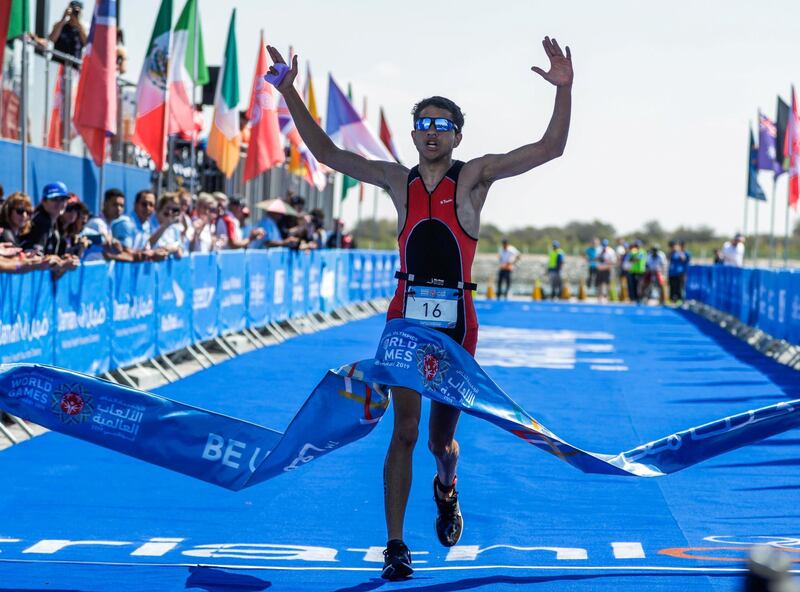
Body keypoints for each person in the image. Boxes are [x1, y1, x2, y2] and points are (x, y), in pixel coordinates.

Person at [269, 35, 572, 580]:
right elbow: (328, 154)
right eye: (423, 125)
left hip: (457, 323)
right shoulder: (395, 178)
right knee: (403, 431)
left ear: (457, 135)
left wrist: (564, 90)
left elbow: (550, 148)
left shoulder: (475, 176)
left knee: (439, 441)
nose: (432, 133)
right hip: (405, 319)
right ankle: (394, 545)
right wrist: (291, 93)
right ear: (413, 134)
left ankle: (447, 482)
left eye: (442, 126)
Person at [147, 193, 184, 258]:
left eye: (174, 210)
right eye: (167, 208)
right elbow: (148, 244)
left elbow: (180, 255)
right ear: (160, 207)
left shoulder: (175, 227)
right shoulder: (148, 222)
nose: (170, 212)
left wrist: (173, 249)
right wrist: (165, 226)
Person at [595, 239, 617, 303]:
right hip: (600, 269)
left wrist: (607, 263)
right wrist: (599, 259)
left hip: (607, 269)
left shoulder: (611, 251)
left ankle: (606, 296)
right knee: (599, 283)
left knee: (607, 283)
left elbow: (614, 261)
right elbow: (596, 259)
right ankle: (599, 296)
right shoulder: (598, 250)